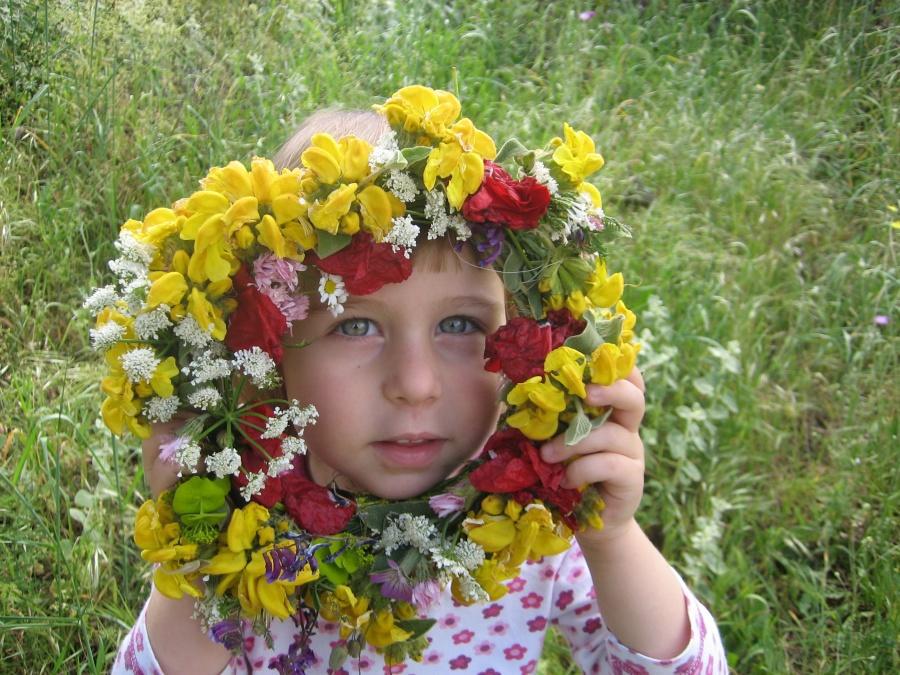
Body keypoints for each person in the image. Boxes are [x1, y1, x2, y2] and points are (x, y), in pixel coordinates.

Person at [113, 109, 727, 674]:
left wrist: (611, 538)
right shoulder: (257, 543)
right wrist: (203, 548)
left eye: (460, 326)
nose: (415, 385)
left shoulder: (526, 527)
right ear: (268, 353)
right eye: (355, 326)